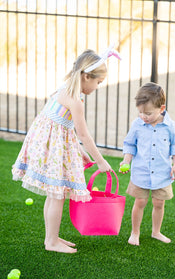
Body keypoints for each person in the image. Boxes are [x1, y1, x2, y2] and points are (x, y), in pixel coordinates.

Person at [12, 44, 121, 253]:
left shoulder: (63, 91)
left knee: (55, 194)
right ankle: (51, 242)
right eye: (99, 82)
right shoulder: (75, 101)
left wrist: (80, 151)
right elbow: (83, 134)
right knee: (58, 194)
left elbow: (64, 125)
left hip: (49, 146)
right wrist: (100, 160)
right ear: (87, 77)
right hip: (53, 149)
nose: (98, 86)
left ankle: (51, 238)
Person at [120, 82, 175, 246]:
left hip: (162, 173)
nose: (143, 116)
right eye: (140, 112)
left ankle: (156, 232)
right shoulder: (137, 124)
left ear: (161, 109)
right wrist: (126, 160)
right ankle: (135, 233)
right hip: (141, 172)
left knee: (159, 203)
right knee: (140, 202)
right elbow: (130, 144)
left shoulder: (170, 126)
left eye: (148, 113)